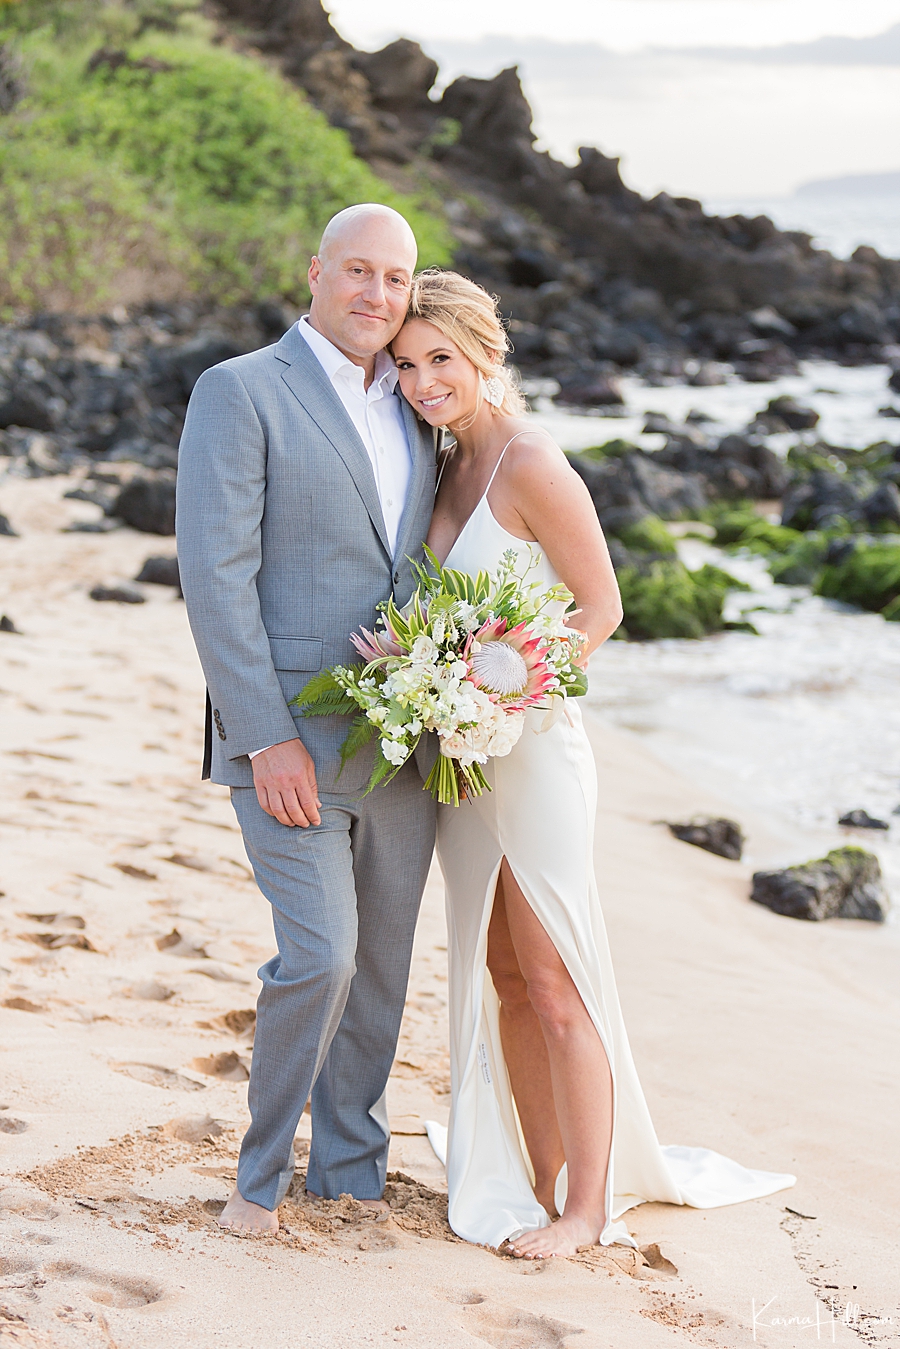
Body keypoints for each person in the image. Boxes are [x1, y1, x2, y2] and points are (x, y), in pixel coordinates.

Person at [391, 269, 795, 1259]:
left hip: (531, 754)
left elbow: (600, 606)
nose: (423, 379)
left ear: (486, 353)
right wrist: (440, 690)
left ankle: (585, 1208)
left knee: (557, 975)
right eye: (405, 364)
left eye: (440, 357)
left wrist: (505, 692)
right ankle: (539, 1174)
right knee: (501, 972)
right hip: (463, 760)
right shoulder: (442, 464)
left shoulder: (531, 461)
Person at [176, 205, 441, 1235]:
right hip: (285, 735)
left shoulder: (423, 403)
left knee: (380, 971)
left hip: (407, 736)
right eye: (360, 271)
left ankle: (351, 1168)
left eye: (398, 278)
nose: (378, 295)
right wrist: (263, 733)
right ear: (317, 271)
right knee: (320, 954)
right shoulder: (242, 390)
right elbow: (216, 574)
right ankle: (257, 1172)